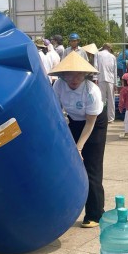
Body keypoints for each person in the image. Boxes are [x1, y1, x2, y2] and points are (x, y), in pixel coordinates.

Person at [49, 52, 107, 228]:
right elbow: (57, 113)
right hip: (73, 121)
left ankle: (96, 213)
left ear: (85, 75)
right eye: (69, 74)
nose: (74, 79)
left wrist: (79, 148)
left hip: (95, 124)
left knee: (91, 167)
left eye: (79, 74)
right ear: (62, 75)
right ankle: (64, 210)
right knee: (67, 166)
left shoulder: (91, 91)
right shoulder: (59, 86)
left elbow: (90, 123)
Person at [95, 43, 117, 123]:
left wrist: (95, 78)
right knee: (111, 100)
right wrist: (115, 83)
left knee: (101, 99)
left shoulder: (98, 54)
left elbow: (95, 66)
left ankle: (101, 117)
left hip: (101, 78)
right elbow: (115, 70)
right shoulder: (113, 57)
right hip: (111, 80)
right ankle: (111, 118)